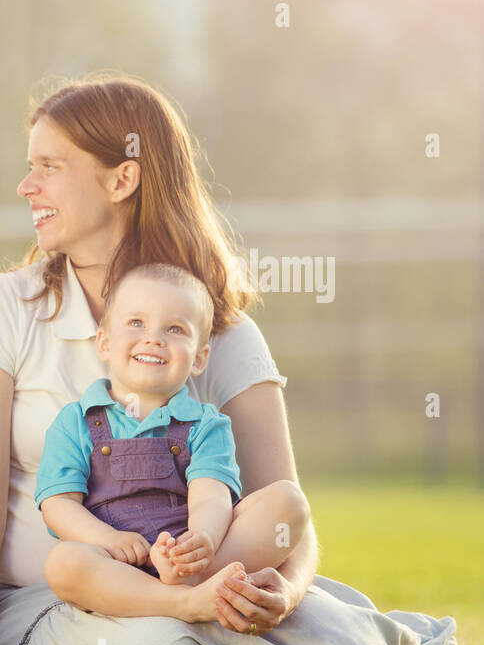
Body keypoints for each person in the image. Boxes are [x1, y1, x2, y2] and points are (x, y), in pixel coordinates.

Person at [0, 73, 468, 645]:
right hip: (51, 601)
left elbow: (284, 513)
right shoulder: (0, 309)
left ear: (122, 178)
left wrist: (289, 594)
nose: (26, 186)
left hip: (208, 578)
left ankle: (381, 642)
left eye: (49, 167)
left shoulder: (222, 328)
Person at [40, 263, 310, 620]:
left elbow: (211, 493)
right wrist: (107, 539)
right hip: (118, 564)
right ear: (104, 342)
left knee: (288, 502)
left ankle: (196, 581)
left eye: (175, 329)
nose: (154, 338)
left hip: (192, 557)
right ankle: (184, 603)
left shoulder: (205, 424)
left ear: (199, 359)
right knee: (63, 563)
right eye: (136, 323)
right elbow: (58, 504)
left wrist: (202, 541)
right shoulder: (75, 420)